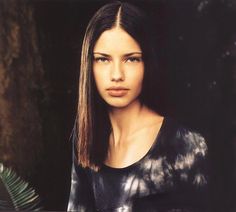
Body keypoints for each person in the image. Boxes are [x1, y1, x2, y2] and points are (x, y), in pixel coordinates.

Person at [67, 1, 209, 211]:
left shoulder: (185, 146)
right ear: (89, 65)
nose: (117, 75)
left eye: (131, 59)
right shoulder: (86, 140)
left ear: (147, 63)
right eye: (103, 59)